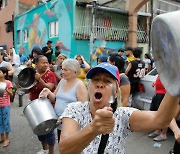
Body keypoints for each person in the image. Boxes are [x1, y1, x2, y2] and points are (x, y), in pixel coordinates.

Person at [58, 63, 179, 154]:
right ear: (88, 86)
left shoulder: (123, 115)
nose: (100, 84)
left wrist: (175, 82)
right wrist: (93, 128)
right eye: (95, 79)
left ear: (116, 93)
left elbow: (160, 120)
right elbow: (64, 149)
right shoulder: (75, 109)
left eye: (107, 81)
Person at [39, 59, 88, 143]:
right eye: (62, 69)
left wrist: (64, 117)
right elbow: (54, 98)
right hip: (59, 124)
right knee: (62, 147)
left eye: (65, 69)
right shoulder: (62, 81)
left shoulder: (80, 85)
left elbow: (84, 109)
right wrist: (48, 92)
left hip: (71, 126)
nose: (62, 72)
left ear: (74, 71)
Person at [29, 55, 56, 154]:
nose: (45, 64)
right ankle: (44, 149)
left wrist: (39, 79)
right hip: (34, 106)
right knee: (39, 129)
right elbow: (28, 88)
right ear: (36, 64)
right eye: (43, 62)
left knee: (49, 130)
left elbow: (49, 87)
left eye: (46, 62)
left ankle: (51, 152)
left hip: (46, 107)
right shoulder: (32, 74)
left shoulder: (50, 74)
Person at [148, 76, 168, 141]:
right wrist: (155, 83)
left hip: (164, 93)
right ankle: (158, 130)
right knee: (157, 113)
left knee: (164, 114)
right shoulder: (162, 69)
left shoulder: (170, 69)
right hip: (158, 93)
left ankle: (163, 134)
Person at [0, 67, 13, 148]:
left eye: (0, 72)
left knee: (6, 122)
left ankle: (7, 139)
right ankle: (2, 137)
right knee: (0, 122)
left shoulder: (8, 83)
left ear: (4, 74)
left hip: (5, 105)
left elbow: (11, 94)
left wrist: (6, 89)